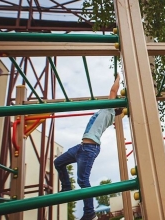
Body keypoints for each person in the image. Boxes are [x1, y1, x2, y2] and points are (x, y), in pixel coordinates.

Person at [54, 74, 123, 220]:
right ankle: (66, 186)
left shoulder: (109, 110)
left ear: (115, 106)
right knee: (58, 162)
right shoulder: (105, 112)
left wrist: (118, 78)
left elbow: (112, 91)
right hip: (81, 147)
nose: (112, 99)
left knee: (83, 180)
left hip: (89, 149)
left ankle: (89, 213)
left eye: (115, 101)